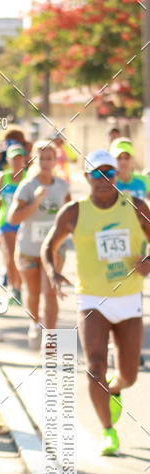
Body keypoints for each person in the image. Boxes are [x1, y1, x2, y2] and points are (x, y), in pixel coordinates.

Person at [42, 148, 150, 456]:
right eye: (97, 174)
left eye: (109, 173)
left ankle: (115, 390)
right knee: (95, 366)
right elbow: (49, 245)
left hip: (129, 298)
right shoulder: (75, 212)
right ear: (86, 177)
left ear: (117, 175)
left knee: (129, 375)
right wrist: (53, 273)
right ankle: (108, 431)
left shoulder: (136, 206)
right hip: (92, 299)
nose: (104, 179)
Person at [8, 140, 71, 347]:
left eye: (49, 158)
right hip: (28, 250)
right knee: (33, 293)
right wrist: (35, 202)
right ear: (34, 160)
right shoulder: (28, 186)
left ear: (55, 161)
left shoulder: (62, 186)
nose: (45, 162)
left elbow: (72, 216)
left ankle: (51, 337)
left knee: (50, 292)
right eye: (41, 158)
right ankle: (34, 324)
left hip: (54, 249)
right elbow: (13, 219)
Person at [0, 144, 27, 304]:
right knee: (10, 255)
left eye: (20, 158)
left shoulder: (28, 177)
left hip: (23, 221)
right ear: (8, 160)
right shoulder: (3, 176)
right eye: (14, 159)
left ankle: (19, 286)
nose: (17, 161)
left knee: (20, 257)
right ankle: (14, 289)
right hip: (4, 221)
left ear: (24, 160)